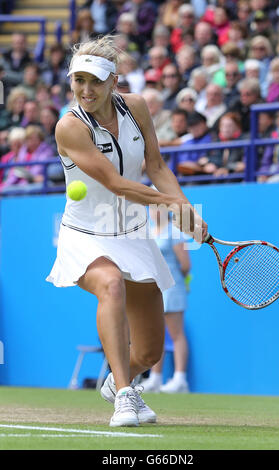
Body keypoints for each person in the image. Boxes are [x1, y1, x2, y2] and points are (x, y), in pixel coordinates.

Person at [46, 35, 208, 427]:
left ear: (114, 81)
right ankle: (123, 394)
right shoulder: (69, 127)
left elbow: (155, 167)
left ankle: (122, 377)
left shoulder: (136, 107)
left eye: (95, 81)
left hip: (133, 233)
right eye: (78, 81)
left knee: (150, 352)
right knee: (111, 284)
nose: (86, 90)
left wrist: (183, 207)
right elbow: (118, 184)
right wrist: (171, 207)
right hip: (86, 232)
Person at [141, 204, 190, 393]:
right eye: (152, 207)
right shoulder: (149, 231)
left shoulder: (175, 231)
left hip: (173, 287)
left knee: (176, 334)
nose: (155, 211)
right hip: (155, 288)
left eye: (159, 207)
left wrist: (173, 279)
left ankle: (180, 379)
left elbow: (185, 264)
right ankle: (155, 378)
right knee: (157, 335)